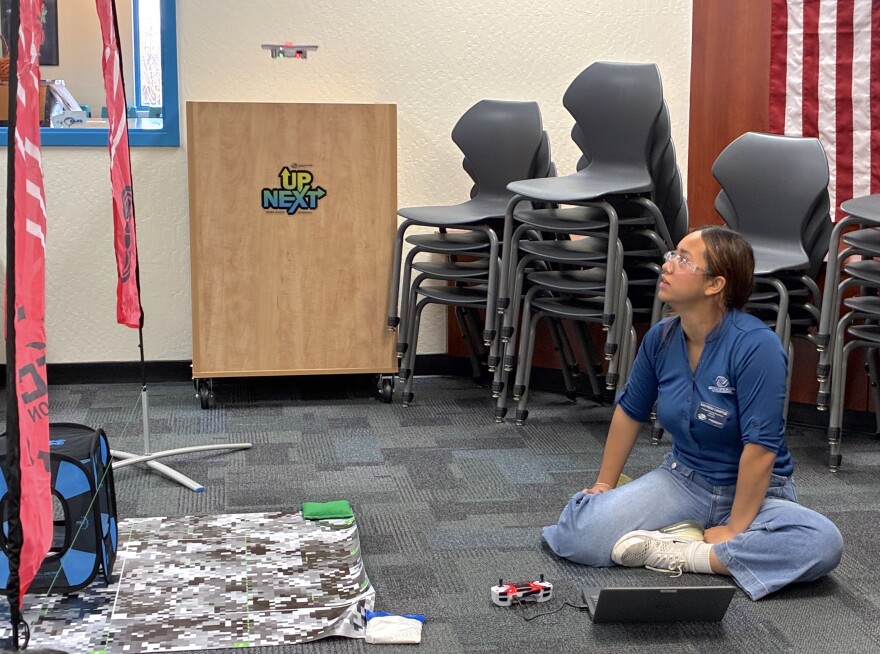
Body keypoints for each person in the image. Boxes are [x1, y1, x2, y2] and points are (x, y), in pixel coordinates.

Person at [541, 226, 843, 600]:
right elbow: (630, 412)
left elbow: (761, 449)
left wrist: (734, 528)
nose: (667, 265)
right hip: (683, 479)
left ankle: (685, 552)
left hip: (757, 493)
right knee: (577, 535)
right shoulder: (660, 338)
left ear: (715, 284)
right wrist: (605, 483)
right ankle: (706, 544)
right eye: (672, 255)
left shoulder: (757, 346)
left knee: (822, 543)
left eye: (683, 260)